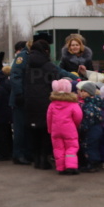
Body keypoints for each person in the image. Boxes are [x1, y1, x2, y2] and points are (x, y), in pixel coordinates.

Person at [24, 40, 60, 170]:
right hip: (45, 102)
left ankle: (37, 159)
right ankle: (44, 159)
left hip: (30, 101)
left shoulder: (28, 64)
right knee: (45, 131)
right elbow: (56, 81)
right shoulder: (48, 66)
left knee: (34, 130)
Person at [47, 79, 83, 175]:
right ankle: (71, 166)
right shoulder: (73, 103)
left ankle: (61, 167)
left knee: (58, 148)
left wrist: (50, 129)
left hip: (55, 130)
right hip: (69, 129)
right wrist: (75, 125)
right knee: (71, 147)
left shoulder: (52, 104)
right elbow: (78, 116)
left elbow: (49, 118)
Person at [9, 40, 32, 165]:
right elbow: (15, 75)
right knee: (19, 129)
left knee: (26, 128)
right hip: (20, 98)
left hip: (27, 98)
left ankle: (26, 153)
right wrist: (18, 93)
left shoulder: (30, 56)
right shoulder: (22, 56)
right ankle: (18, 154)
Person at [78, 81, 103, 173]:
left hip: (91, 129)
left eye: (84, 91)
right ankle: (93, 163)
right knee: (92, 145)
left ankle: (92, 164)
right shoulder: (96, 102)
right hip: (96, 128)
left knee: (90, 146)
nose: (82, 93)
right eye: (81, 91)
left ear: (90, 92)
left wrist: (83, 128)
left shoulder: (89, 105)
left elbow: (89, 118)